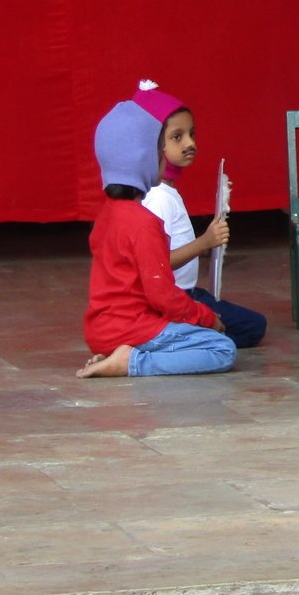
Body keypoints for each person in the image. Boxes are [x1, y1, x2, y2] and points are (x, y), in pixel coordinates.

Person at [77, 96, 236, 378]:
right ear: (143, 159)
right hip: (133, 328)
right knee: (222, 348)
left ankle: (119, 354)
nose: (164, 155)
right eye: (159, 148)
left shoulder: (106, 216)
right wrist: (205, 317)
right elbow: (162, 295)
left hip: (100, 331)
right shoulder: (143, 222)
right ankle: (130, 362)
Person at [134, 81, 267, 347]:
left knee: (243, 321)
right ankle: (174, 336)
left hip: (186, 293)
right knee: (253, 326)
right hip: (174, 298)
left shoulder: (166, 190)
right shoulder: (159, 197)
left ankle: (187, 331)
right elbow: (157, 263)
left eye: (191, 134)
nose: (190, 143)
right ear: (153, 144)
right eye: (177, 137)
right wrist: (204, 242)